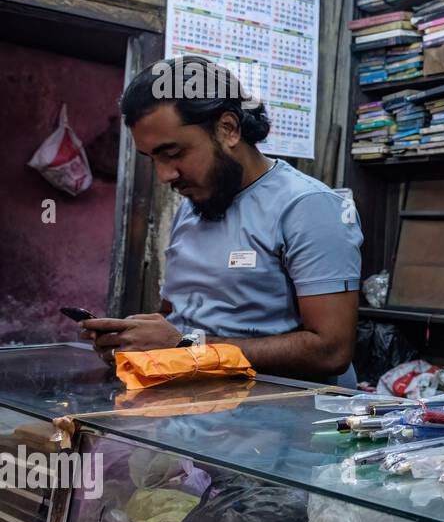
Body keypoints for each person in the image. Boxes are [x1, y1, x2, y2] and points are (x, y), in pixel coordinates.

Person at [81, 55, 363, 385]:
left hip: (283, 418)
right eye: (152, 158)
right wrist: (135, 337)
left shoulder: (308, 207)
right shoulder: (195, 204)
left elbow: (330, 351)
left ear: (227, 128)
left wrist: (186, 347)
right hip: (202, 408)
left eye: (173, 154)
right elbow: (180, 315)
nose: (163, 175)